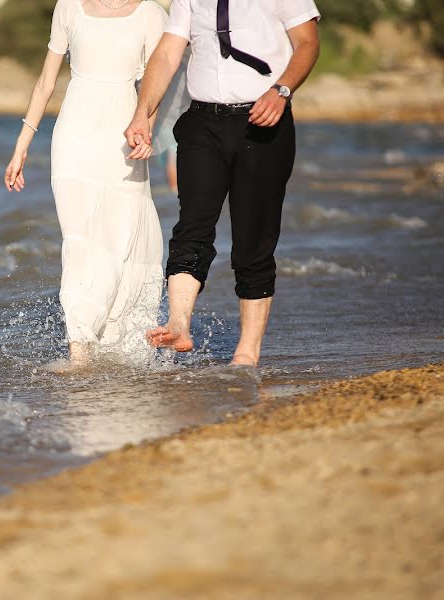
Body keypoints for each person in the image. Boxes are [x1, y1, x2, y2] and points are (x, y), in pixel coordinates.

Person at [124, 0, 320, 368]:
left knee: (253, 240)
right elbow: (168, 53)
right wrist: (142, 113)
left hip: (263, 121)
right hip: (201, 122)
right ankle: (179, 325)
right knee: (191, 227)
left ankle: (246, 353)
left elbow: (308, 42)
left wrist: (282, 91)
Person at [4, 0, 169, 372]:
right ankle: (79, 347)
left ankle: (115, 338)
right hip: (73, 137)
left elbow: (156, 84)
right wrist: (22, 145)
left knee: (120, 235)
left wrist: (147, 132)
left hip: (122, 138)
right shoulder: (69, 7)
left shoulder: (152, 15)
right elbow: (47, 80)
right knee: (78, 239)